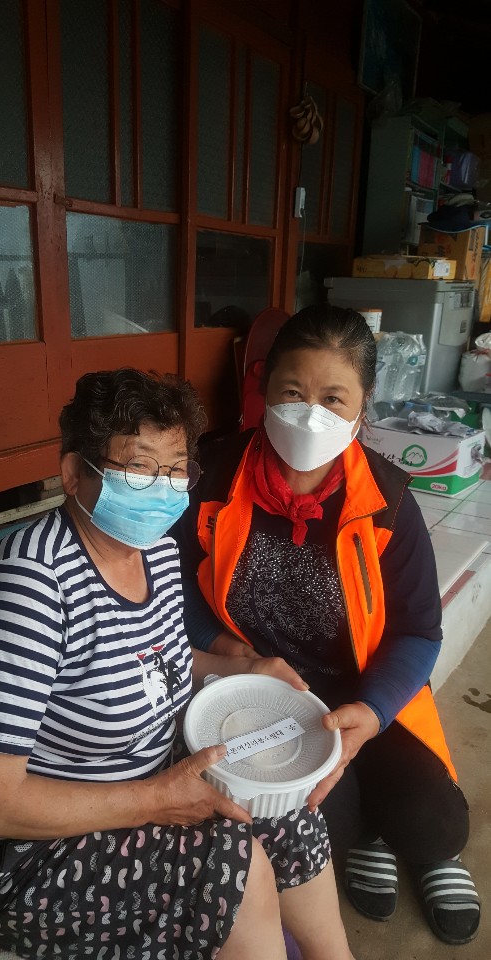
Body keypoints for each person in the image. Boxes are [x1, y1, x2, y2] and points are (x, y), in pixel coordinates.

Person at [0, 367, 356, 960]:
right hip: (23, 850)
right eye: (139, 468)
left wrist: (239, 671)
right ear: (73, 474)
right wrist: (154, 799)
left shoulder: (157, 553)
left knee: (286, 812)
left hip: (142, 781)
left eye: (176, 469)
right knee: (231, 866)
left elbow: (153, 659)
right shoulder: (29, 589)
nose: (163, 489)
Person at [174, 305, 481, 947]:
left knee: (437, 825)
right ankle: (369, 834)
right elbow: (174, 582)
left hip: (363, 690)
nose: (309, 413)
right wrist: (231, 652)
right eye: (293, 392)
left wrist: (371, 712)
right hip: (268, 696)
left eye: (333, 398)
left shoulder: (388, 502)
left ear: (362, 407)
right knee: (322, 835)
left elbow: (419, 631)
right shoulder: (213, 477)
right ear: (264, 389)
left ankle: (407, 840)